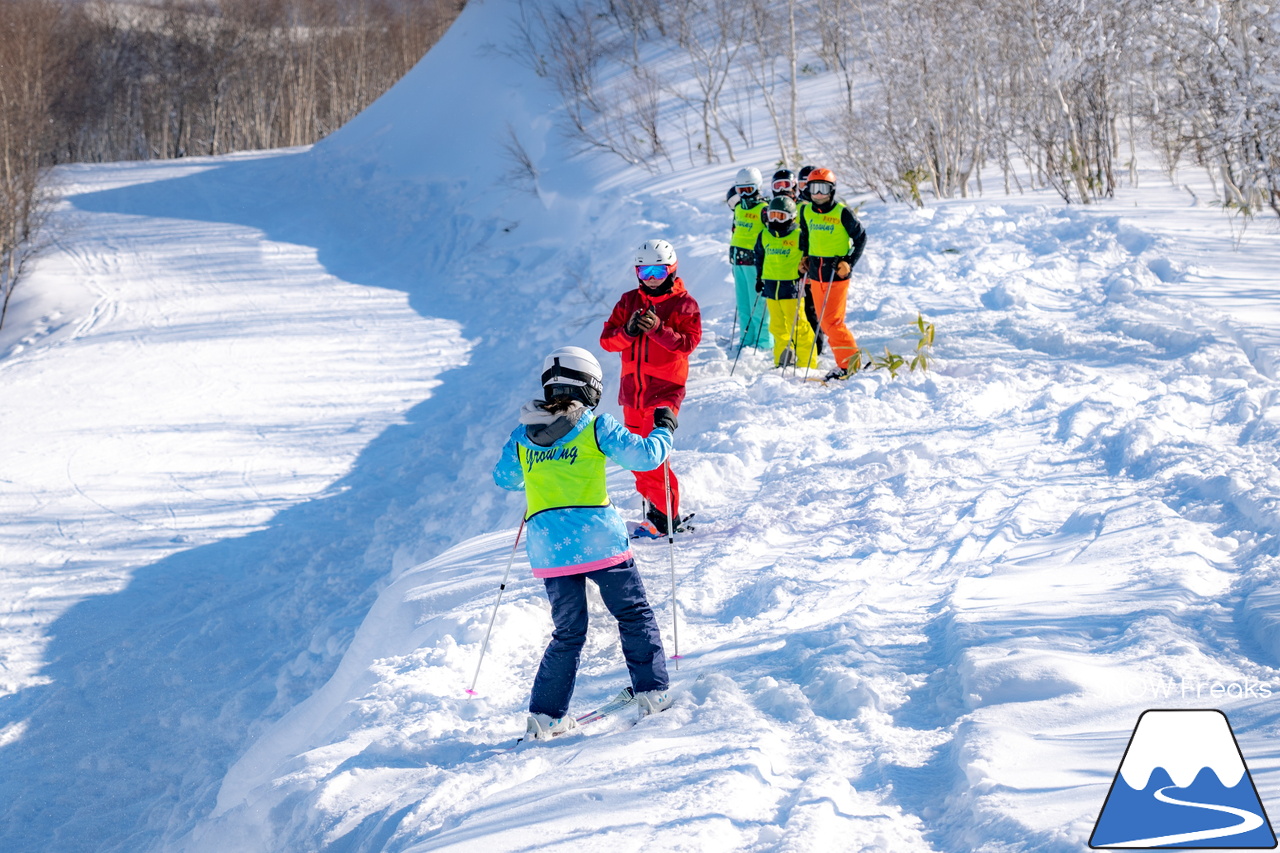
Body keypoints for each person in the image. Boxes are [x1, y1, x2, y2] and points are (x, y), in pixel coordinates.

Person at [492, 346, 675, 740]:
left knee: (568, 632)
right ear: (590, 386)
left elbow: (506, 479)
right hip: (600, 542)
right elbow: (645, 458)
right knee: (632, 614)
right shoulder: (596, 426)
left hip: (551, 550)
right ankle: (652, 692)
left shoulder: (523, 435)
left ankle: (546, 716)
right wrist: (665, 429)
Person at [600, 239, 701, 536]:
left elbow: (687, 344)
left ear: (671, 269)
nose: (652, 279)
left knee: (653, 457)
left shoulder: (684, 304)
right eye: (645, 273)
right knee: (634, 455)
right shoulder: (629, 301)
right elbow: (607, 341)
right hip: (633, 391)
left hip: (665, 390)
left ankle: (665, 517)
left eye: (658, 271)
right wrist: (628, 332)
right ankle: (658, 511)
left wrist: (658, 328)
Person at [798, 168, 867, 380]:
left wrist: (849, 262)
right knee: (824, 320)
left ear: (832, 190)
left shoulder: (841, 212)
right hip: (816, 273)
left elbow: (861, 238)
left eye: (824, 189)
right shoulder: (805, 211)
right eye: (814, 189)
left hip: (836, 273)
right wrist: (804, 257)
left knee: (833, 322)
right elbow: (806, 236)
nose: (818, 194)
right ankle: (847, 362)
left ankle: (849, 364)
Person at [753, 195, 817, 369]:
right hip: (772, 288)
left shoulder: (799, 234)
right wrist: (759, 278)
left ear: (791, 216)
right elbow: (759, 257)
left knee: (798, 327)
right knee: (777, 327)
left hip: (792, 288)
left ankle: (807, 363)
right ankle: (782, 361)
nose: (775, 220)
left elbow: (809, 256)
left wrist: (807, 273)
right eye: (772, 215)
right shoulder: (764, 234)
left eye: (780, 216)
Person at [727, 167, 771, 350]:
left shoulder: (764, 209)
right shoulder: (738, 208)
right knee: (743, 303)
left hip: (755, 263)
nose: (745, 194)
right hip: (738, 262)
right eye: (741, 190)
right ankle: (747, 337)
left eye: (749, 189)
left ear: (758, 187)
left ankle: (764, 341)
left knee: (758, 304)